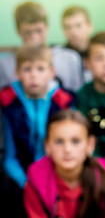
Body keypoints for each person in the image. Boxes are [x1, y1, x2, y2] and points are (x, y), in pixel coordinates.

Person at [0, 44, 75, 217]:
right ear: (17, 73)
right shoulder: (7, 102)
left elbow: (68, 144)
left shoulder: (63, 101)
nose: (34, 75)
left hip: (56, 174)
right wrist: (27, 184)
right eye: (27, 69)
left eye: (40, 69)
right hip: (21, 177)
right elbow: (9, 155)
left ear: (52, 72)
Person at [24, 110, 105, 217]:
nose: (67, 149)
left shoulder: (104, 178)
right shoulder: (35, 182)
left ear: (90, 144)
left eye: (75, 141)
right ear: (47, 146)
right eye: (59, 141)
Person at [0, 1, 83, 92]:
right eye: (28, 32)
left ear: (47, 28)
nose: (34, 38)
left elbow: (77, 98)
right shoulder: (6, 66)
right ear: (18, 31)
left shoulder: (69, 59)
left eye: (39, 31)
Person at [62, 5, 94, 83]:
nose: (73, 31)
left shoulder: (99, 52)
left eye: (78, 25)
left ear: (90, 26)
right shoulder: (60, 57)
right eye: (68, 27)